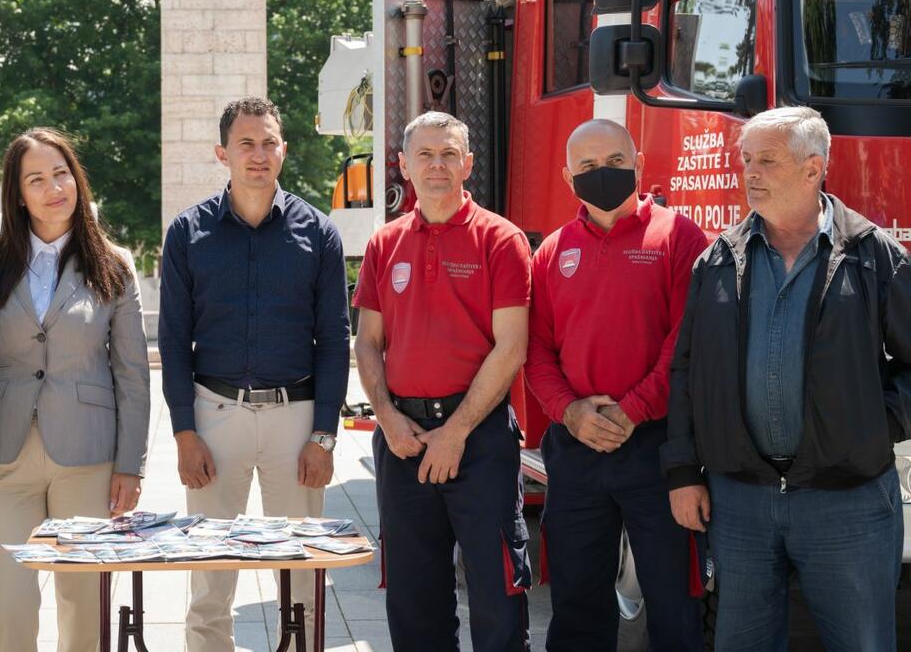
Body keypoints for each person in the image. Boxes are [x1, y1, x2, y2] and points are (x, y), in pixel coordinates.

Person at [663, 106, 911, 650]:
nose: (750, 173)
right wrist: (682, 471)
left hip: (847, 501)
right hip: (741, 501)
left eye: (767, 161)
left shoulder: (873, 255)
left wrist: (879, 424)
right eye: (746, 160)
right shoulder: (718, 260)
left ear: (813, 168)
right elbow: (687, 371)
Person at [0, 128, 151, 652]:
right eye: (36, 179)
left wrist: (131, 465)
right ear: (18, 195)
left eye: (61, 174)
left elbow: (132, 374)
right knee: (7, 605)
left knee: (86, 606)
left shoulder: (114, 263)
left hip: (89, 458)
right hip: (3, 458)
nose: (54, 188)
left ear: (77, 180)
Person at [159, 96, 350, 652]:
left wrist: (324, 435)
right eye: (246, 143)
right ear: (223, 153)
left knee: (302, 577)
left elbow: (334, 341)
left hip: (297, 421)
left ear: (283, 150)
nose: (259, 154)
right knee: (210, 577)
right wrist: (184, 433)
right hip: (215, 418)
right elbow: (173, 341)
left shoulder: (319, 234)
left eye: (269, 143)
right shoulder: (186, 234)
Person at [353, 111, 533, 652]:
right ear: (404, 165)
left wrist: (456, 432)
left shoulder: (501, 239)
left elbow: (511, 346)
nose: (437, 165)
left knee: (498, 597)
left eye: (449, 154)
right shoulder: (384, 244)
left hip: (479, 439)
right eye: (425, 155)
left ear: (467, 164)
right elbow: (367, 342)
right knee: (414, 603)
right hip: (403, 440)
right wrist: (387, 419)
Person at [525, 119, 707, 650]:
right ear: (568, 177)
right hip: (577, 450)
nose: (601, 173)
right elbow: (536, 351)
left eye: (614, 162)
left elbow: (686, 343)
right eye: (587, 166)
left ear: (639, 164)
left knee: (674, 607)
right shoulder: (552, 252)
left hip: (658, 450)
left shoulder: (680, 237)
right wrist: (571, 413)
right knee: (577, 608)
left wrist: (632, 410)